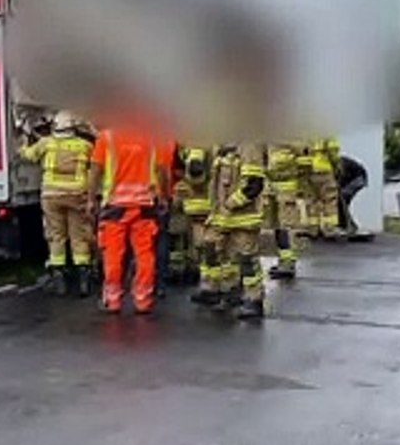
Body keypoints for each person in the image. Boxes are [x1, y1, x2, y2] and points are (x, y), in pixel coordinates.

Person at [89, 126, 167, 315]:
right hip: (144, 205)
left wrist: (91, 198)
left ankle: (113, 300)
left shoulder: (107, 137)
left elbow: (96, 170)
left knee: (113, 254)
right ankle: (143, 300)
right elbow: (161, 170)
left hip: (115, 206)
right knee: (144, 254)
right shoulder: (151, 137)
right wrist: (163, 197)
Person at [19, 111, 96, 297]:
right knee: (79, 236)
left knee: (56, 235)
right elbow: (95, 161)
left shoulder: (47, 143)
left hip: (52, 196)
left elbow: (29, 155)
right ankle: (84, 281)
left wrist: (22, 142)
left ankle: (59, 281)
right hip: (77, 195)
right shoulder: (84, 146)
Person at [201, 142, 269, 321]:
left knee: (247, 259)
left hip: (243, 218)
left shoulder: (250, 146)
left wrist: (231, 203)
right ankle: (231, 293)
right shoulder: (222, 146)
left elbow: (254, 185)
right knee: (223, 256)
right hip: (222, 218)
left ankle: (254, 301)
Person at [266, 140, 308, 280]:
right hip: (270, 187)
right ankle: (283, 260)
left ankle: (288, 263)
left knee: (287, 226)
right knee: (277, 226)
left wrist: (301, 182)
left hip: (287, 187)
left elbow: (304, 158)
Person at [169, 144, 211, 286]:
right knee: (184, 235)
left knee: (188, 236)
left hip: (192, 197)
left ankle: (185, 270)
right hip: (191, 196)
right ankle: (187, 269)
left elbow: (195, 169)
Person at [305, 137, 344, 241]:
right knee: (329, 199)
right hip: (324, 169)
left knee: (312, 200)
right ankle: (329, 229)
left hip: (309, 171)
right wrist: (338, 166)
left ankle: (313, 229)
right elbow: (333, 151)